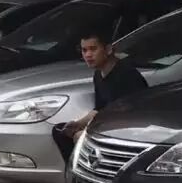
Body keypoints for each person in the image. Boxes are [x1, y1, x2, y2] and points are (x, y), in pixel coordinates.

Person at [52, 28, 148, 161]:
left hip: (128, 130)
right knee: (60, 131)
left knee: (82, 139)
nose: (88, 55)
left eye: (93, 49)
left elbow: (132, 115)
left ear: (108, 50)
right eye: (84, 50)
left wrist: (86, 133)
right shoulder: (98, 74)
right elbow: (99, 108)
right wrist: (78, 124)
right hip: (106, 124)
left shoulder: (126, 75)